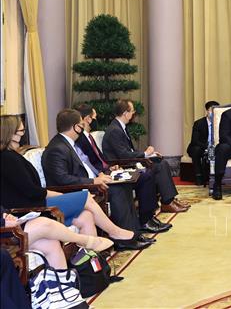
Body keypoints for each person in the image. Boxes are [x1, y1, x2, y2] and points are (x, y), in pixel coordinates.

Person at [0, 115, 149, 250]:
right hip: (34, 207)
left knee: (86, 216)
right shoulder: (7, 158)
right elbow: (33, 190)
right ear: (10, 132)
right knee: (86, 197)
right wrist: (60, 196)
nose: (23, 133)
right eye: (21, 130)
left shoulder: (12, 155)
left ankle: (93, 265)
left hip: (38, 201)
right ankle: (115, 232)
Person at [43, 109, 146, 237]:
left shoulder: (67, 143)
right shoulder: (57, 148)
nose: (83, 128)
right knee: (117, 189)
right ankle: (124, 239)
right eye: (81, 125)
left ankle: (134, 232)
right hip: (74, 190)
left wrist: (99, 175)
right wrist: (93, 181)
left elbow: (84, 165)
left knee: (124, 184)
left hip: (88, 183)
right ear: (76, 127)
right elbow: (62, 179)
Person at [73, 103, 169, 234]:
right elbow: (89, 163)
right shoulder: (81, 139)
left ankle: (145, 220)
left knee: (149, 172)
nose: (96, 120)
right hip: (99, 177)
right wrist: (103, 172)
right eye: (94, 117)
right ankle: (141, 224)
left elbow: (99, 158)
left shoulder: (88, 136)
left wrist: (110, 167)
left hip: (109, 170)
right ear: (87, 119)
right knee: (144, 176)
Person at [102, 99, 190, 213]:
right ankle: (167, 202)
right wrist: (145, 154)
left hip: (128, 161)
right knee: (159, 166)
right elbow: (123, 155)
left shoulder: (120, 126)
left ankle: (169, 200)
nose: (133, 113)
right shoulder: (115, 130)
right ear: (125, 113)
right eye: (132, 111)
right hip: (122, 166)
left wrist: (150, 155)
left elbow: (129, 151)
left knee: (161, 161)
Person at [2, 206, 114, 269]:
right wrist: (3, 222)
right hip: (4, 236)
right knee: (44, 224)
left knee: (51, 243)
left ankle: (63, 291)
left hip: (11, 227)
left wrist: (6, 215)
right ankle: (85, 241)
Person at [187, 100, 219, 186]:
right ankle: (198, 176)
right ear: (207, 111)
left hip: (215, 147)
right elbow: (194, 140)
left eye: (215, 111)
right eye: (211, 110)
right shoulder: (199, 123)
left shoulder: (220, 123)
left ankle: (218, 176)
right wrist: (207, 146)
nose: (213, 113)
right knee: (196, 150)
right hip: (200, 146)